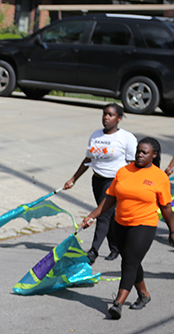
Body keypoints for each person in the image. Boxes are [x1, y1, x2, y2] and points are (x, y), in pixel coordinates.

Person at [83, 137, 174, 320]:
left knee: (129, 262)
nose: (140, 155)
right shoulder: (124, 171)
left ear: (154, 155)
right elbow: (110, 198)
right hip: (121, 223)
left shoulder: (159, 177)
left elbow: (166, 207)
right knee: (131, 260)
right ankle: (144, 294)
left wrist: (173, 231)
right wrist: (91, 216)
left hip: (144, 224)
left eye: (144, 152)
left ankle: (118, 302)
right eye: (138, 151)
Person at [63, 103, 137, 264]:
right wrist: (73, 178)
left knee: (103, 215)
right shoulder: (96, 135)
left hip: (115, 181)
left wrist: (128, 185)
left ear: (119, 118)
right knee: (108, 215)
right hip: (97, 180)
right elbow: (88, 159)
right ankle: (115, 247)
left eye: (110, 115)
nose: (106, 117)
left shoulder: (126, 138)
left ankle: (93, 252)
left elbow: (133, 164)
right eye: (104, 114)